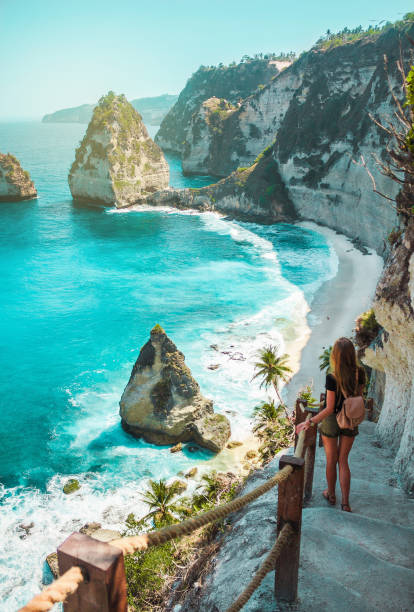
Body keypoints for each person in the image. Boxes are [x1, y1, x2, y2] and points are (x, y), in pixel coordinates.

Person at [296, 337, 365, 512]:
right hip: (350, 420)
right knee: (343, 461)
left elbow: (329, 408)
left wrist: (309, 422)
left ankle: (332, 494)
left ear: (335, 355)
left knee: (331, 460)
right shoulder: (360, 373)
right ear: (352, 355)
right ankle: (346, 503)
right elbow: (358, 398)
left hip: (332, 421)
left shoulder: (332, 377)